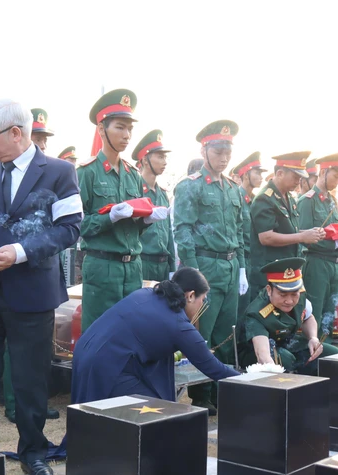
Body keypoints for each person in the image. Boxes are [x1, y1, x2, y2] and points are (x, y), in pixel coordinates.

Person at [0, 98, 81, 475]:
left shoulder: (59, 171)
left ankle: (33, 452)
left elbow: (70, 228)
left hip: (31, 291)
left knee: (30, 379)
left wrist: (20, 252)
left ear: (15, 133)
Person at [71, 267, 238, 403]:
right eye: (203, 299)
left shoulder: (146, 293)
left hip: (85, 351)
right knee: (156, 416)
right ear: (190, 296)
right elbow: (213, 367)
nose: (202, 305)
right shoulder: (178, 325)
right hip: (108, 366)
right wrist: (247, 380)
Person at [173, 120, 247, 414]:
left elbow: (239, 230)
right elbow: (183, 231)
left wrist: (241, 267)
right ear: (204, 151)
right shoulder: (190, 186)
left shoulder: (233, 189)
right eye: (218, 151)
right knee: (201, 333)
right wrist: (193, 275)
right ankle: (201, 394)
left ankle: (222, 389)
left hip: (230, 265)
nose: (224, 158)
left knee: (226, 334)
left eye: (228, 152)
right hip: (205, 264)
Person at [78, 89, 157, 331]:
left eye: (129, 129)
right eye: (120, 128)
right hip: (102, 267)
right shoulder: (87, 172)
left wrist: (147, 220)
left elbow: (134, 229)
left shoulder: (133, 175)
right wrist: (109, 218)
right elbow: (77, 226)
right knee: (99, 333)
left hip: (132, 267)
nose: (127, 135)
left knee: (130, 332)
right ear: (102, 130)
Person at [239, 258, 338, 372]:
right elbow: (263, 356)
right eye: (283, 295)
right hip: (256, 352)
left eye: (294, 294)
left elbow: (308, 317)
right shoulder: (257, 313)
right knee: (286, 360)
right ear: (269, 290)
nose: (289, 301)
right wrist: (275, 373)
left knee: (332, 354)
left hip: (288, 343)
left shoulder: (300, 296)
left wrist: (313, 338)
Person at [248, 151, 324, 294]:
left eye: (300, 178)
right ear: (280, 173)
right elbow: (266, 237)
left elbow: (288, 231)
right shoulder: (265, 198)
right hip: (270, 273)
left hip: (288, 271)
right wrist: (302, 237)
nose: (298, 182)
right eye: (295, 177)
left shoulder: (289, 197)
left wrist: (310, 234)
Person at [297, 152, 338, 341]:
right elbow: (303, 236)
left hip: (334, 263)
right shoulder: (307, 201)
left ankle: (325, 347)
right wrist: (332, 241)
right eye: (335, 177)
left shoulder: (332, 201)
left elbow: (335, 229)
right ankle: (311, 350)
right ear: (323, 172)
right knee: (315, 312)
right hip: (316, 263)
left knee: (330, 313)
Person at [133, 129, 175, 282]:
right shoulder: (135, 190)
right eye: (160, 157)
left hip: (163, 266)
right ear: (145, 160)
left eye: (165, 157)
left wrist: (172, 268)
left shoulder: (162, 194)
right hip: (142, 263)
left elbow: (168, 233)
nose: (165, 162)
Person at [230, 151, 262, 303]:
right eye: (257, 173)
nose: (261, 177)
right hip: (241, 260)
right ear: (246, 175)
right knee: (241, 306)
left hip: (255, 261)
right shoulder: (235, 197)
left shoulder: (256, 200)